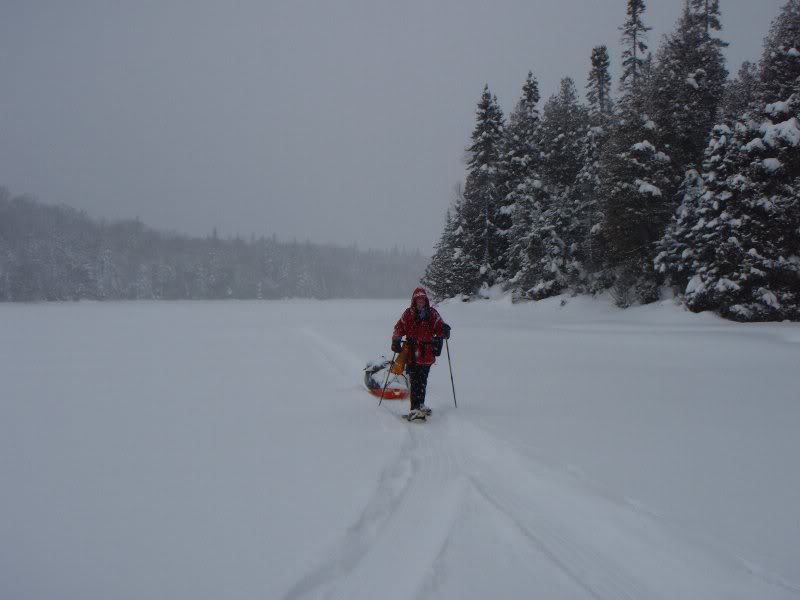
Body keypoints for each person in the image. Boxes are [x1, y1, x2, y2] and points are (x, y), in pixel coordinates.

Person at [392, 287, 450, 420]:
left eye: (422, 299)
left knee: (423, 381)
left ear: (425, 300)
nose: (420, 301)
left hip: (427, 354)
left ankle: (421, 405)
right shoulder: (408, 314)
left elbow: (439, 327)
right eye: (418, 299)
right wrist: (396, 341)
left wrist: (445, 330)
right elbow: (399, 328)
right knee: (414, 381)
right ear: (414, 300)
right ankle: (414, 409)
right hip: (412, 354)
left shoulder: (432, 314)